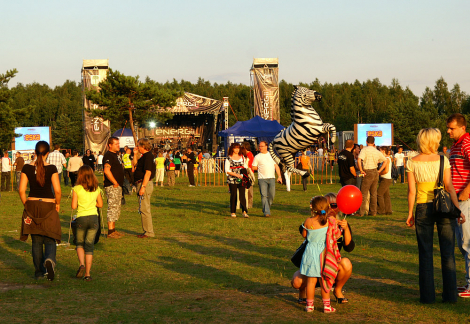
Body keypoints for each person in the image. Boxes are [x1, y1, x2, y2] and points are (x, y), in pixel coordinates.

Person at [406, 128, 465, 303]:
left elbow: (411, 191)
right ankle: (450, 295)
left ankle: (427, 296)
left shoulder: (412, 162)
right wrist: (457, 209)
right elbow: (449, 187)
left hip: (422, 208)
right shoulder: (443, 160)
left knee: (425, 253)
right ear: (434, 141)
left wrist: (410, 213)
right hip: (444, 208)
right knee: (448, 253)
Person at [292, 193, 354, 305]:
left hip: (330, 264)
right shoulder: (313, 223)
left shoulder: (340, 224)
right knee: (296, 282)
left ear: (339, 207)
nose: (330, 208)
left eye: (333, 205)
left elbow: (349, 247)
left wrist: (345, 229)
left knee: (346, 263)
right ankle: (303, 293)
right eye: (327, 205)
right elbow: (303, 230)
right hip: (314, 264)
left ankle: (337, 290)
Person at [19, 141, 61, 280]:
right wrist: (58, 203)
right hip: (48, 205)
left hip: (32, 205)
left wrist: (27, 204)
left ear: (35, 152)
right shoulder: (52, 168)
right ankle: (49, 259)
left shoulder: (26, 167)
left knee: (36, 241)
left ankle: (38, 272)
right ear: (47, 153)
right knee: (50, 238)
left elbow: (21, 190)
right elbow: (58, 190)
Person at [299, 196, 341, 313]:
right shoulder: (330, 221)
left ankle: (309, 306)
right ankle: (327, 306)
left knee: (311, 282)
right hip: (324, 255)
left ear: (312, 209)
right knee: (325, 281)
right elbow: (336, 235)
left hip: (310, 254)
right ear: (327, 208)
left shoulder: (308, 221)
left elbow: (304, 235)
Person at [446, 113, 470, 297]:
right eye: (448, 128)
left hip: (465, 200)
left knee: (467, 242)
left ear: (462, 127)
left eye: (452, 128)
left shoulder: (466, 142)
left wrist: (466, 190)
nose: (448, 131)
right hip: (456, 200)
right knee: (463, 244)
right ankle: (468, 283)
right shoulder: (456, 145)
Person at [71, 165, 103, 281]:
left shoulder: (77, 189)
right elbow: (100, 204)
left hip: (81, 218)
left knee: (79, 243)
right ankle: (88, 274)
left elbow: (74, 206)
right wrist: (92, 203)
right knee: (90, 246)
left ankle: (81, 264)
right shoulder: (96, 188)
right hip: (94, 218)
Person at [357, 136, 386, 216]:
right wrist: (379, 171)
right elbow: (385, 160)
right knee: (373, 193)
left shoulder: (364, 150)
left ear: (366, 142)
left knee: (364, 193)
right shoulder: (376, 151)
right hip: (375, 171)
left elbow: (359, 160)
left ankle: (361, 212)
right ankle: (373, 212)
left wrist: (361, 170)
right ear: (374, 142)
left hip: (367, 171)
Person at [252, 141, 282, 217]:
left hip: (271, 178)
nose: (260, 148)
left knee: (272, 195)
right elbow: (253, 167)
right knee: (264, 195)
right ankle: (266, 212)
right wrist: (259, 166)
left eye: (261, 146)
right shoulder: (257, 156)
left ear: (266, 147)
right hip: (262, 179)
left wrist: (279, 176)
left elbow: (276, 166)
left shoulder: (272, 155)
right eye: (259, 146)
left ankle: (266, 207)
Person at [133, 138, 156, 238]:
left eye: (138, 145)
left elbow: (148, 172)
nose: (137, 147)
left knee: (144, 209)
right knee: (144, 208)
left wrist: (143, 187)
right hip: (142, 183)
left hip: (144, 183)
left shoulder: (148, 157)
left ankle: (149, 232)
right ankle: (147, 231)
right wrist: (135, 154)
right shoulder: (144, 156)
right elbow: (134, 165)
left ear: (143, 146)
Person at [103, 137, 125, 239]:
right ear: (110, 145)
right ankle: (110, 231)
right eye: (116, 144)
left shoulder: (115, 155)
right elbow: (107, 170)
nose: (118, 145)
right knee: (112, 207)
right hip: (112, 186)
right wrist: (115, 182)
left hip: (118, 186)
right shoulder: (108, 155)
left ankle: (114, 230)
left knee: (116, 208)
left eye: (118, 143)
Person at [225, 143, 249, 218]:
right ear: (232, 149)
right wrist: (236, 174)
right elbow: (227, 170)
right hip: (232, 179)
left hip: (241, 178)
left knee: (242, 195)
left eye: (238, 148)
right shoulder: (229, 158)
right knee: (234, 195)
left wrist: (245, 176)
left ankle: (244, 211)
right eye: (235, 148)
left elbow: (245, 167)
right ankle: (233, 211)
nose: (237, 150)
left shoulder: (242, 157)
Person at [377, 147, 392, 215]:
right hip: (385, 179)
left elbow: (386, 170)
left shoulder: (386, 159)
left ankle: (381, 209)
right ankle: (388, 210)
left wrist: (379, 173)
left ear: (383, 151)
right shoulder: (384, 159)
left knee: (379, 194)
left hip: (386, 179)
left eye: (380, 151)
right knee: (386, 195)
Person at [242, 142, 255, 208]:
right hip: (246, 172)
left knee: (249, 189)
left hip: (249, 173)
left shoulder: (249, 155)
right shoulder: (247, 155)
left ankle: (249, 204)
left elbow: (249, 165)